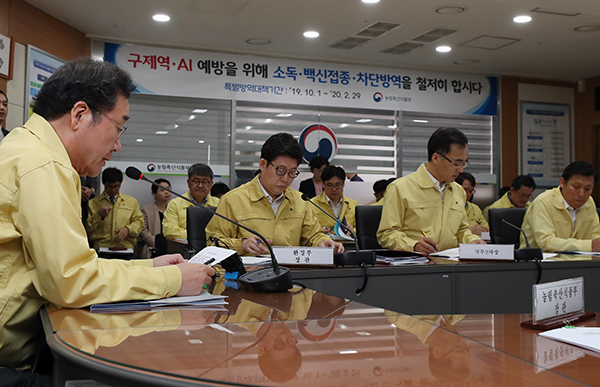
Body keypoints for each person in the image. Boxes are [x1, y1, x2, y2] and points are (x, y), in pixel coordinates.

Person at [0, 57, 214, 374]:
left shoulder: (23, 145)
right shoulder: (44, 165)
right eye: (118, 127)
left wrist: (148, 266)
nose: (118, 144)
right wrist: (172, 279)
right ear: (80, 115)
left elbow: (69, 267)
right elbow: (70, 282)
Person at [206, 132, 344, 256]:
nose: (285, 178)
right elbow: (212, 243)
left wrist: (324, 242)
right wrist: (241, 245)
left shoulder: (300, 200)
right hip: (247, 278)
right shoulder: (233, 200)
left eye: (292, 172)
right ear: (263, 164)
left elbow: (313, 235)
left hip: (291, 277)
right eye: (280, 170)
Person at [377, 127, 485, 253]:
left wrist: (472, 240)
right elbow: (386, 234)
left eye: (464, 163)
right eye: (457, 163)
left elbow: (461, 230)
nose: (461, 170)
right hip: (417, 264)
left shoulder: (458, 191)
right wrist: (414, 245)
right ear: (436, 158)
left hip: (451, 264)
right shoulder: (400, 188)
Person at [521, 161, 600, 252]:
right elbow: (546, 242)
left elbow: (595, 237)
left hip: (578, 262)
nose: (581, 194)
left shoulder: (589, 202)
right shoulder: (543, 202)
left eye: (587, 189)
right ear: (562, 182)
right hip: (539, 263)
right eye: (576, 187)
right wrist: (588, 246)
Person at [87, 167, 144, 250]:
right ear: (104, 184)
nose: (113, 190)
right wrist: (98, 215)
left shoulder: (131, 202)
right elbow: (86, 228)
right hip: (101, 247)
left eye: (116, 186)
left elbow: (139, 222)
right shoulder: (93, 203)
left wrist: (128, 229)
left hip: (126, 248)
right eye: (109, 187)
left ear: (120, 184)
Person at [163, 163, 219, 241]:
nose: (200, 185)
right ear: (189, 183)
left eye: (205, 182)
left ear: (211, 184)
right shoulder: (175, 204)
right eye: (196, 181)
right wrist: (201, 236)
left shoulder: (219, 204)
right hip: (185, 249)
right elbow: (169, 231)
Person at [312, 165, 359, 235]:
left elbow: (362, 230)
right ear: (323, 184)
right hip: (323, 243)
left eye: (338, 185)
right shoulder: (311, 204)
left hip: (348, 244)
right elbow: (305, 231)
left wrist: (353, 231)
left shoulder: (354, 205)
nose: (334, 189)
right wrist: (317, 231)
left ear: (343, 183)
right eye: (329, 185)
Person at [136, 178, 172, 258]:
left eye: (168, 189)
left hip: (172, 248)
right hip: (153, 248)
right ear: (154, 194)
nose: (166, 192)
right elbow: (143, 230)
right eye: (162, 190)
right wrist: (156, 242)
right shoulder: (146, 210)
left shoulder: (174, 209)